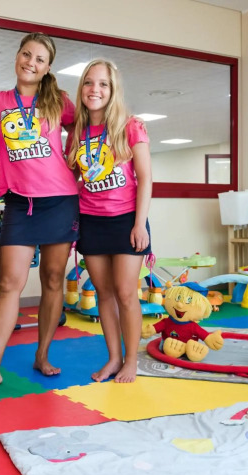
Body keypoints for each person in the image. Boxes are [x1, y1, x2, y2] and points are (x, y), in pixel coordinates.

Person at [0, 32, 79, 391]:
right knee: (8, 285)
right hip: (19, 203)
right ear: (17, 56)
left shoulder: (58, 101)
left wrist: (74, 161)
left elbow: (84, 127)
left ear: (47, 68)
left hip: (60, 201)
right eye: (26, 54)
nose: (31, 63)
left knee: (53, 280)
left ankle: (42, 355)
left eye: (39, 59)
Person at [66, 59, 152, 383]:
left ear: (113, 90)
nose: (95, 89)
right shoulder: (77, 132)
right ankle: (113, 358)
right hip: (92, 220)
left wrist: (140, 224)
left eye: (103, 84)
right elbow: (71, 178)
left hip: (126, 220)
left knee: (126, 293)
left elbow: (145, 178)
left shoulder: (131, 126)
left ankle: (131, 360)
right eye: (89, 82)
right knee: (103, 293)